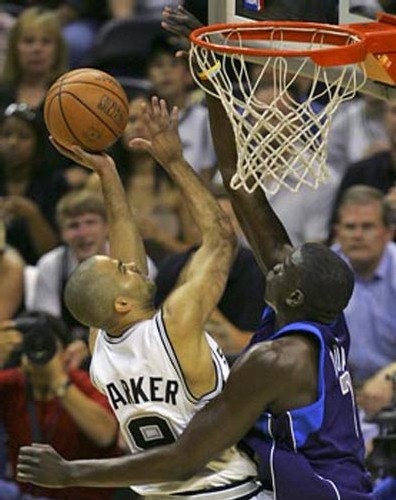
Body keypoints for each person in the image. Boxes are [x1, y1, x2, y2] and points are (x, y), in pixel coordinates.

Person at [16, 13, 374, 499]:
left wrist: (71, 475)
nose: (275, 257)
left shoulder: (106, 349)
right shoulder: (298, 319)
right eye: (122, 270)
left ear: (293, 294)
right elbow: (234, 205)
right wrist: (210, 74)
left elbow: (186, 456)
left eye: (284, 264)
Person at [17, 96, 263, 498]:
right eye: (123, 271)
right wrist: (174, 161)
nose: (131, 265)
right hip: (225, 492)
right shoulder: (175, 325)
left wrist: (107, 172)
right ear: (121, 304)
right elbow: (221, 239)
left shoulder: (102, 350)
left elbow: (124, 254)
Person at [0, 311, 119, 500]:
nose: (39, 351)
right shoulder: (12, 384)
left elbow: (106, 435)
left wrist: (59, 382)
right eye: (31, 344)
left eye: (47, 345)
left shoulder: (89, 384)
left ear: (65, 352)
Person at [331, 186, 396, 413]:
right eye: (350, 227)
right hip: (337, 392)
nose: (357, 235)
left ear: (388, 233)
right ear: (337, 232)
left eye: (367, 227)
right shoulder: (321, 274)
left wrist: (391, 377)